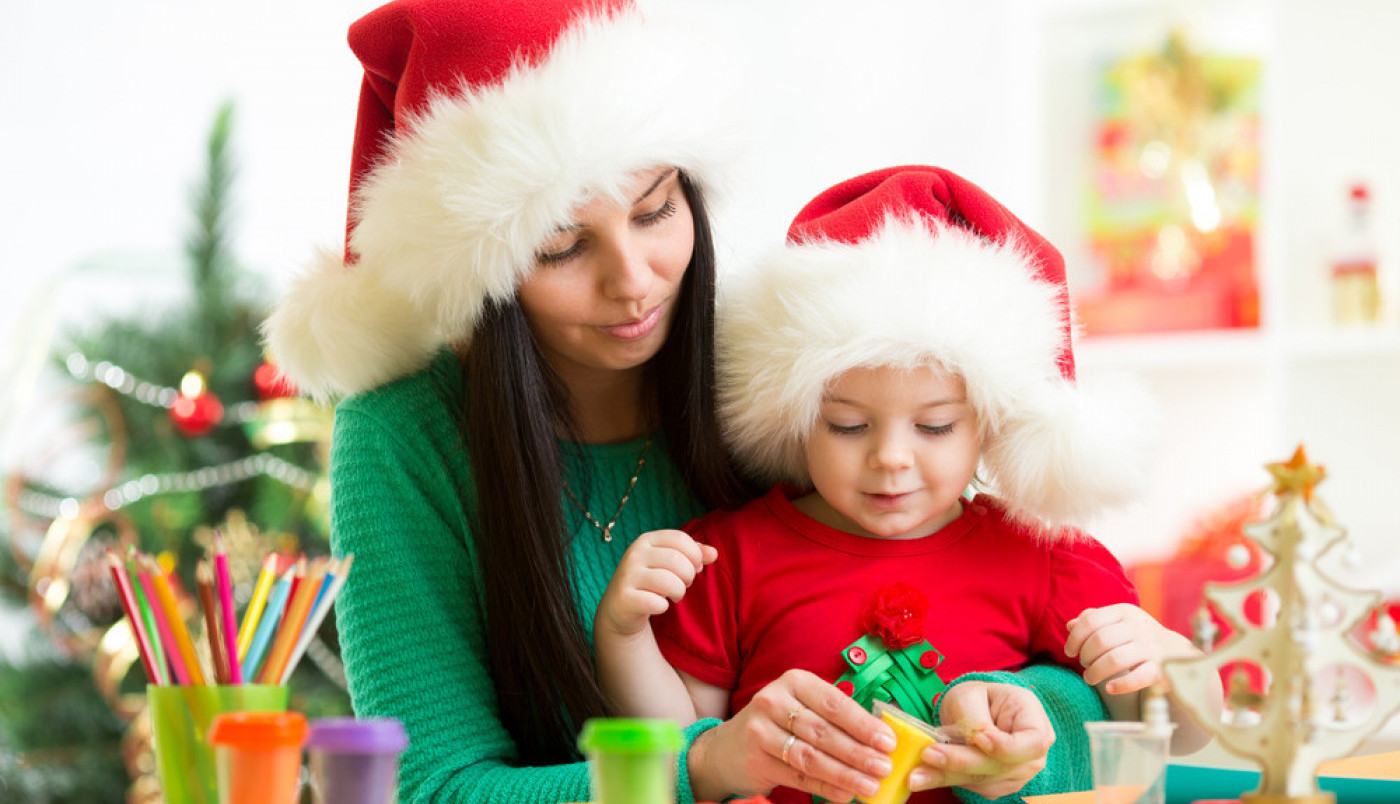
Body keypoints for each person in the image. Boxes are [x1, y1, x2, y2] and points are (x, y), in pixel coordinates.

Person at [264, 1, 1124, 799]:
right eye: (563, 247)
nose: (636, 283)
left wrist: (1010, 709)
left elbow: (1017, 610)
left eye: (655, 209)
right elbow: (439, 787)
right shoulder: (404, 438)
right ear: (477, 268)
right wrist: (699, 765)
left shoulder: (771, 374)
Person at [596, 166, 1217, 804]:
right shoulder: (731, 556)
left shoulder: (1040, 553)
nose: (891, 458)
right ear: (794, 414)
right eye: (848, 425)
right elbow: (682, 744)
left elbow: (1183, 734)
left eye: (935, 426)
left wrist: (1169, 660)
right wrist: (622, 634)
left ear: (991, 425)